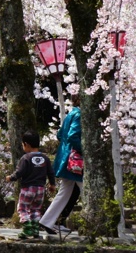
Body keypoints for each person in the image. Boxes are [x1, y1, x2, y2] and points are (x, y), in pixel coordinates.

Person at [39, 100, 82, 235]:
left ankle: (47, 221)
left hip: (65, 159)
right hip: (75, 161)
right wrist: (86, 150)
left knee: (64, 192)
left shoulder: (72, 113)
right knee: (87, 190)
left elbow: (60, 134)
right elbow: (73, 136)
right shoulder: (80, 114)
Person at [7, 130, 52, 239]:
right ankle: (35, 229)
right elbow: (50, 172)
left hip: (28, 188)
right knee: (36, 209)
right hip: (40, 189)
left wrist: (11, 177)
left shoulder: (25, 158)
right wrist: (52, 184)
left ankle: (27, 229)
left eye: (23, 144)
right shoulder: (45, 158)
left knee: (23, 208)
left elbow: (20, 172)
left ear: (26, 144)